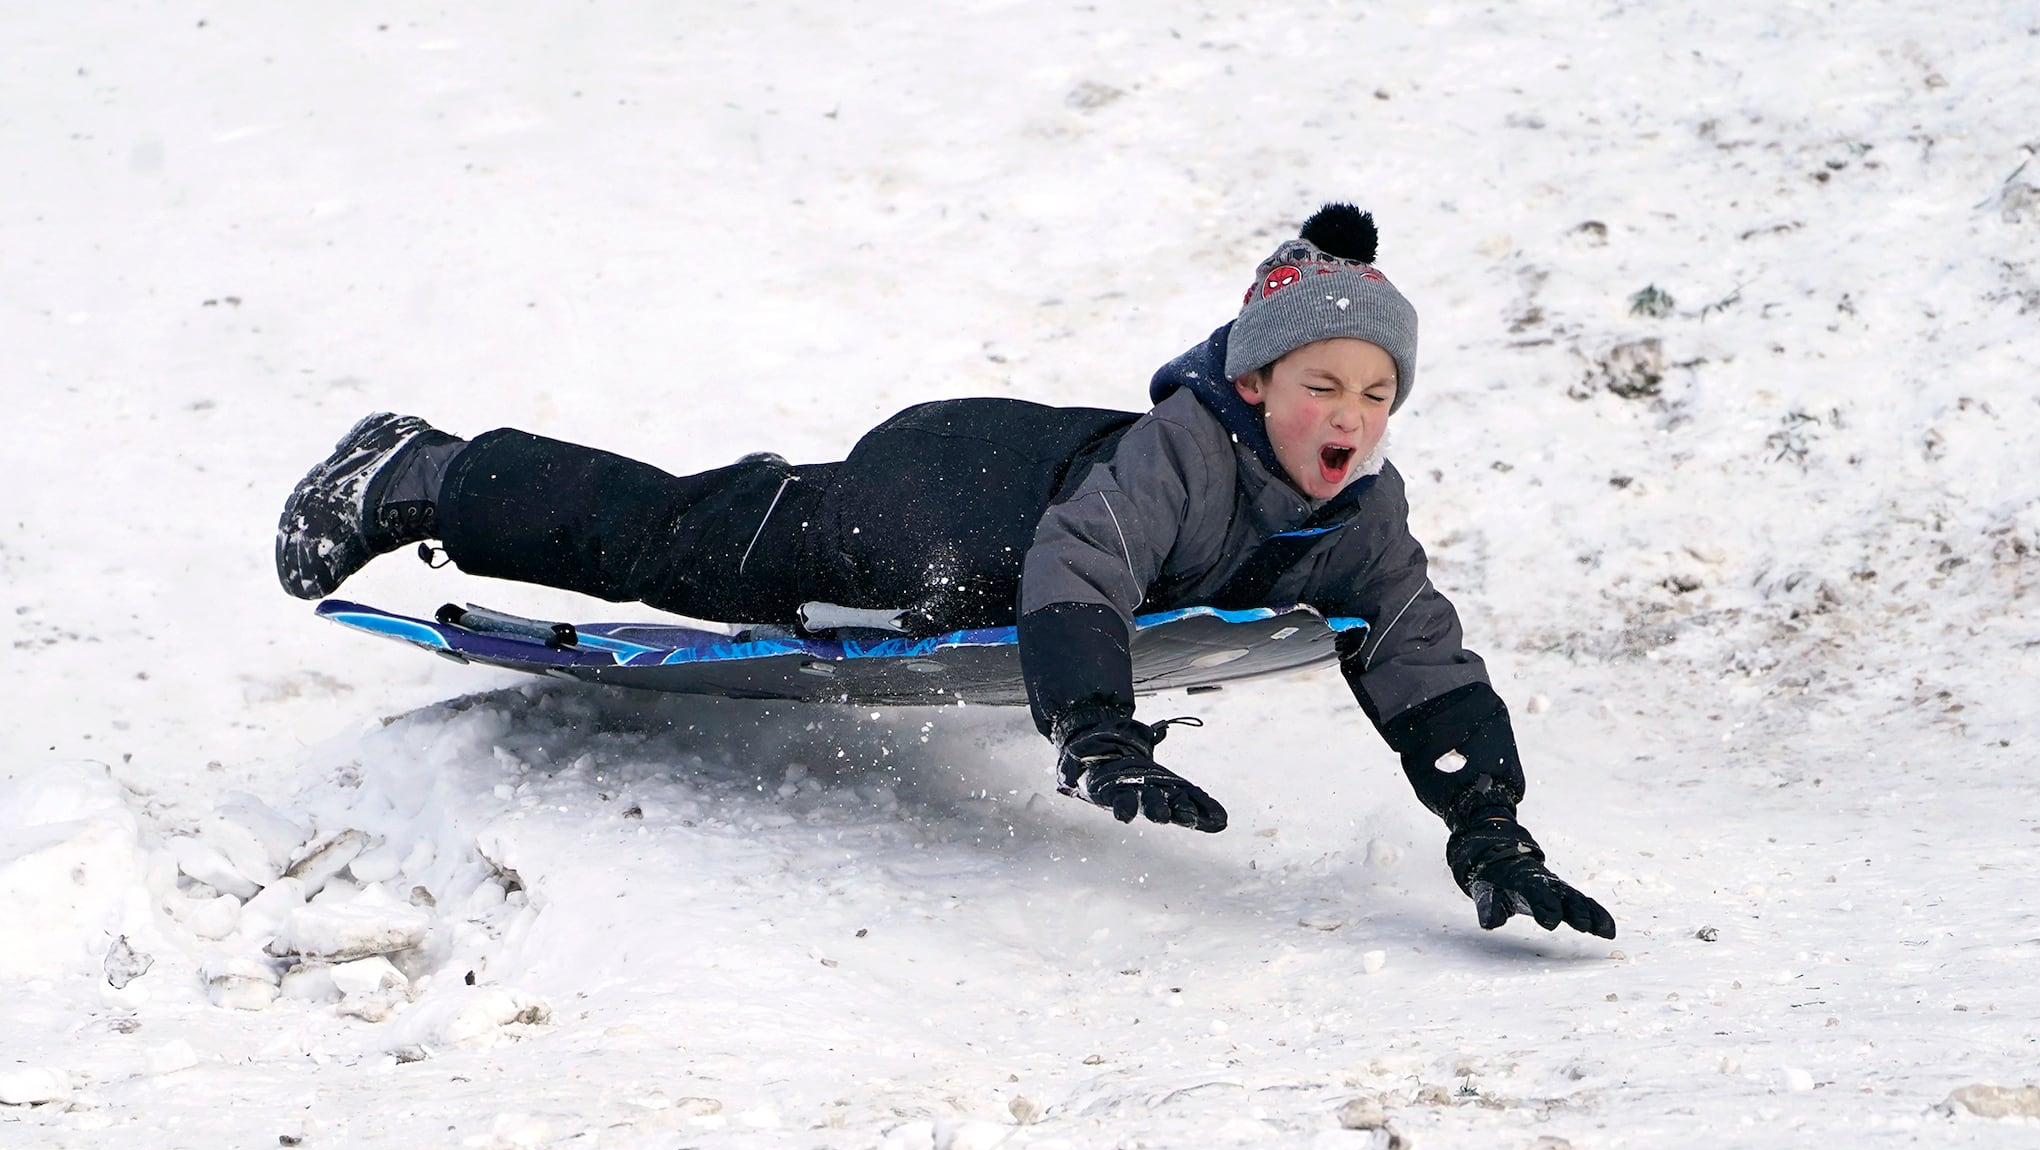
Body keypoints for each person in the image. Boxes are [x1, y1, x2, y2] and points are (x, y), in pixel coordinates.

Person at [275, 203, 1616, 940]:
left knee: (756, 549)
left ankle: (432, 469)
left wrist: (1484, 817)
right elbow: (1085, 563)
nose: (1353, 414)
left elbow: (1417, 645)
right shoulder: (1181, 453)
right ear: (1254, 382)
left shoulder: (1361, 517)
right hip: (932, 507)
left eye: (1378, 392)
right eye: (1323, 382)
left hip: (995, 525)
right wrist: (1094, 727)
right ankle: (420, 469)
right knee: (690, 544)